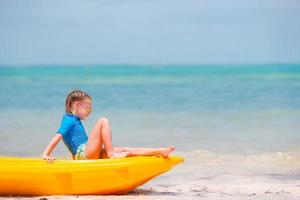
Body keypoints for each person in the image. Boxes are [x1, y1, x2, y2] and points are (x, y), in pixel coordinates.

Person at [42, 90, 175, 161]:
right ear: (77, 105)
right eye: (87, 106)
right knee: (103, 121)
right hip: (83, 154)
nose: (89, 110)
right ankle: (111, 153)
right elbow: (58, 135)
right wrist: (46, 154)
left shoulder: (74, 119)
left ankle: (161, 151)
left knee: (126, 150)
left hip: (89, 152)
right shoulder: (69, 119)